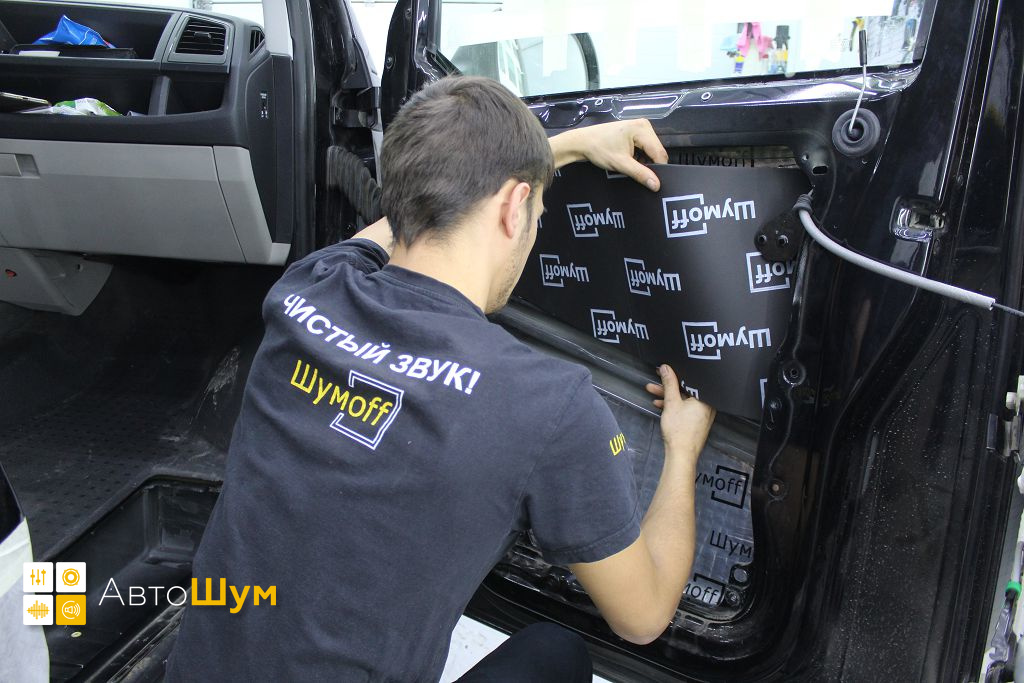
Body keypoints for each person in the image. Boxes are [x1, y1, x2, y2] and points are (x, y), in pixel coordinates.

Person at [165, 76, 714, 682]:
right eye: (537, 214)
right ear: (513, 208)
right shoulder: (548, 404)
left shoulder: (308, 289)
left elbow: (388, 231)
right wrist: (683, 447)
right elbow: (644, 616)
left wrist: (561, 150)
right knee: (557, 655)